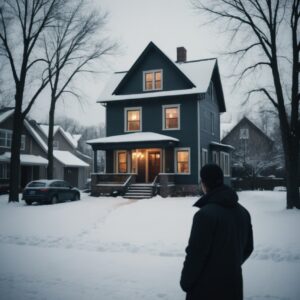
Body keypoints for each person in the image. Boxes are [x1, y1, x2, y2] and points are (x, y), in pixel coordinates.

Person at [180, 164, 253, 300]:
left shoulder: (204, 215)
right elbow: (248, 248)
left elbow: (196, 254)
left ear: (204, 183)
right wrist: (230, 266)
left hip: (206, 290)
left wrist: (186, 283)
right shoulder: (243, 212)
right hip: (234, 287)